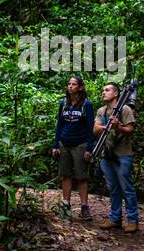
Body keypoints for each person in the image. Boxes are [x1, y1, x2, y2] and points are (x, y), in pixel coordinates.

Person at [94, 82, 138, 232]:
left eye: (107, 90)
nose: (103, 92)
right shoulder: (102, 110)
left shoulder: (125, 109)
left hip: (123, 155)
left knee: (127, 188)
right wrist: (107, 127)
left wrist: (118, 126)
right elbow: (96, 129)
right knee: (113, 188)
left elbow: (130, 130)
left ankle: (133, 220)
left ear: (116, 94)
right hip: (107, 154)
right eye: (103, 90)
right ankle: (115, 219)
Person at [51, 76, 94, 221]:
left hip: (80, 144)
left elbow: (90, 128)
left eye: (74, 84)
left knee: (82, 176)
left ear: (80, 88)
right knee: (65, 174)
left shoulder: (86, 104)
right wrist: (56, 145)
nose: (70, 86)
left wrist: (89, 148)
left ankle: (84, 208)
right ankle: (66, 206)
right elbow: (59, 125)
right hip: (64, 144)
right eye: (69, 84)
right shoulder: (63, 103)